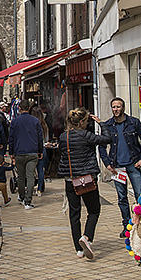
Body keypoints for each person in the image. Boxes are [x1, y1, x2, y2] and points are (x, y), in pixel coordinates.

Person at [58, 107, 110, 260]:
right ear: (81, 122)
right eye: (86, 122)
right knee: (94, 210)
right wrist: (102, 124)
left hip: (70, 179)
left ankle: (78, 249)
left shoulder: (63, 137)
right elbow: (107, 139)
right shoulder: (86, 135)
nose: (87, 124)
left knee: (74, 214)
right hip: (86, 179)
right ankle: (86, 237)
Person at [99, 97, 141, 237]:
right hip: (117, 167)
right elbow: (102, 146)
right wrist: (107, 163)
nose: (116, 109)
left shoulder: (133, 122)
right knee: (122, 197)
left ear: (123, 108)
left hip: (133, 164)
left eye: (118, 107)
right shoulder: (108, 125)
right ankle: (126, 226)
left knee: (140, 195)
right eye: (114, 107)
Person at [8, 99, 43, 210]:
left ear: (19, 108)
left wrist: (11, 152)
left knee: (21, 177)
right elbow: (40, 137)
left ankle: (22, 197)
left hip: (19, 152)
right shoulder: (35, 121)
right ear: (29, 108)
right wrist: (40, 150)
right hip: (32, 152)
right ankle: (28, 201)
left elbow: (11, 138)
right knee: (31, 176)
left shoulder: (15, 121)